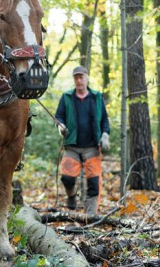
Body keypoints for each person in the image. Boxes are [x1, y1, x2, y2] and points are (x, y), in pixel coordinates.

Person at [55, 65, 110, 214]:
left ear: (87, 78)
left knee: (93, 183)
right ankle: (71, 196)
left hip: (92, 146)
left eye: (81, 77)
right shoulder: (67, 97)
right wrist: (61, 126)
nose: (79, 80)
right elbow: (59, 116)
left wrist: (105, 134)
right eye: (76, 77)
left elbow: (104, 119)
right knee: (67, 178)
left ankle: (90, 215)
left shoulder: (97, 97)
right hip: (72, 145)